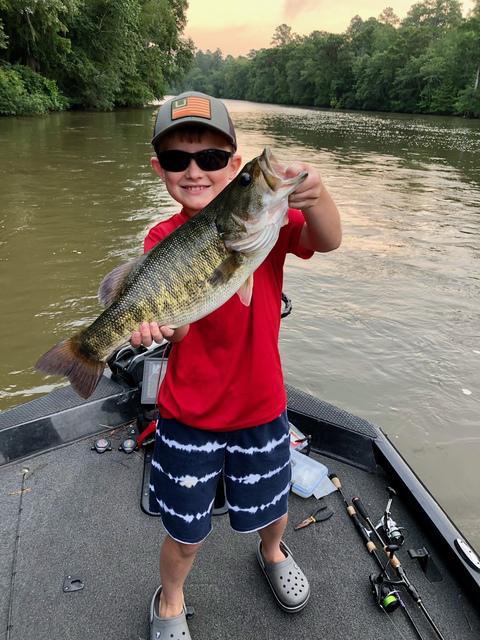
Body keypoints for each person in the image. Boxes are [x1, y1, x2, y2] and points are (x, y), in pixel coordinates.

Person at [131, 91, 341, 640]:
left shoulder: (267, 224)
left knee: (273, 506)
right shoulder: (162, 238)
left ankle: (272, 551)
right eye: (177, 159)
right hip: (188, 416)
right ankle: (171, 597)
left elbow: (328, 239)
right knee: (185, 532)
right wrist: (158, 325)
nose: (194, 171)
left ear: (233, 163)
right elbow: (178, 326)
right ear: (159, 168)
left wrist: (317, 198)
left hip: (262, 409)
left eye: (212, 158)